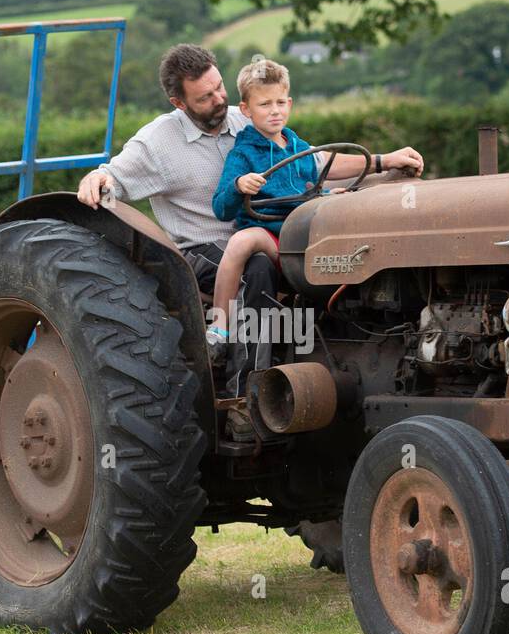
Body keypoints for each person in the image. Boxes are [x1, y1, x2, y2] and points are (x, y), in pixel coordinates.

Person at [76, 44, 424, 398]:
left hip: (268, 231)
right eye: (205, 97)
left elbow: (311, 163)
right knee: (256, 268)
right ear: (179, 103)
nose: (218, 99)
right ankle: (246, 391)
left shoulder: (246, 117)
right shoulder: (157, 142)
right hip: (201, 248)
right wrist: (98, 179)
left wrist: (382, 162)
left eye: (219, 88)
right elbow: (113, 177)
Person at [206, 57, 353, 361]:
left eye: (280, 102)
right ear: (246, 109)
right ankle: (219, 325)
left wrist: (326, 194)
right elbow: (221, 208)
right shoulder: (243, 154)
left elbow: (307, 191)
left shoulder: (300, 149)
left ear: (290, 103)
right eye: (264, 105)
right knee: (241, 241)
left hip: (305, 235)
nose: (274, 111)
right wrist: (238, 186)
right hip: (271, 237)